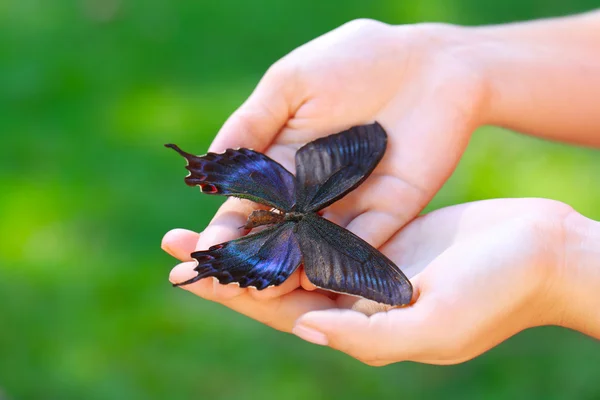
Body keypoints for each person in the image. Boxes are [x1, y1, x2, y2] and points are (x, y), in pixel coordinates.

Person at [161, 11, 600, 366]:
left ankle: (229, 244)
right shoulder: (330, 214)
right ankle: (229, 253)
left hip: (281, 195)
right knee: (265, 253)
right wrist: (447, 62)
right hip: (298, 211)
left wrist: (562, 263)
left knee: (259, 236)